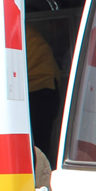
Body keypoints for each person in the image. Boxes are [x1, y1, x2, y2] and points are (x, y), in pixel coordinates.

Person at [26, 24, 62, 163]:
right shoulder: (26, 31)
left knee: (35, 148)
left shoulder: (8, 31)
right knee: (39, 147)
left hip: (37, 92)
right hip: (47, 90)